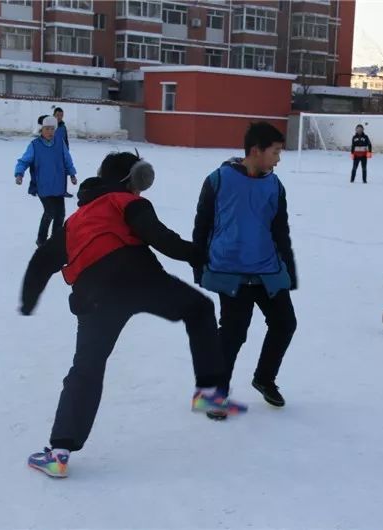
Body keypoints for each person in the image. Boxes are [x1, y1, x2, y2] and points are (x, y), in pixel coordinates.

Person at [21, 152, 245, 478]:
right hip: (139, 278)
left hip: (94, 295)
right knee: (199, 309)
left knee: (86, 368)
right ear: (132, 180)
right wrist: (202, 255)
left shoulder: (76, 220)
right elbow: (160, 237)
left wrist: (28, 302)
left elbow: (41, 261)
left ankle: (59, 452)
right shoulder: (125, 201)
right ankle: (209, 392)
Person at [193, 122, 297, 407]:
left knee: (285, 323)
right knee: (232, 334)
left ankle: (264, 378)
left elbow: (280, 230)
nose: (278, 159)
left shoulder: (275, 185)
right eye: (275, 152)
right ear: (256, 150)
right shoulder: (218, 180)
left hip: (267, 270)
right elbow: (202, 225)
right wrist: (198, 264)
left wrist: (289, 270)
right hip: (231, 271)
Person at [15, 116, 77, 247]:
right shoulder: (35, 145)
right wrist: (19, 174)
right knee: (50, 212)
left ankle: (56, 239)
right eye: (47, 129)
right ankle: (41, 240)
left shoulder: (60, 143)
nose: (50, 132)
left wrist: (72, 173)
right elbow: (24, 161)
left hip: (59, 186)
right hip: (43, 186)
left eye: (52, 129)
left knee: (60, 214)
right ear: (41, 130)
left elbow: (67, 159)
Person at [53, 107, 73, 198]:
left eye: (61, 115)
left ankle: (63, 191)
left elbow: (66, 140)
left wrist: (67, 151)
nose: (59, 117)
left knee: (63, 173)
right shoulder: (50, 126)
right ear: (54, 115)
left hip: (62, 153)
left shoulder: (63, 127)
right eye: (58, 115)